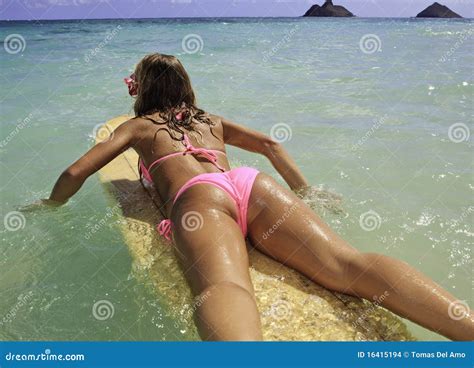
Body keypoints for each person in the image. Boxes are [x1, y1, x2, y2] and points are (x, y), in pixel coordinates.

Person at [35, 53, 473, 341]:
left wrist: (50, 206)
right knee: (346, 264)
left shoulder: (138, 127)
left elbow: (77, 171)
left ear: (140, 90)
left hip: (199, 200)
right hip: (251, 185)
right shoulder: (212, 120)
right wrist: (304, 189)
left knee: (224, 285)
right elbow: (270, 145)